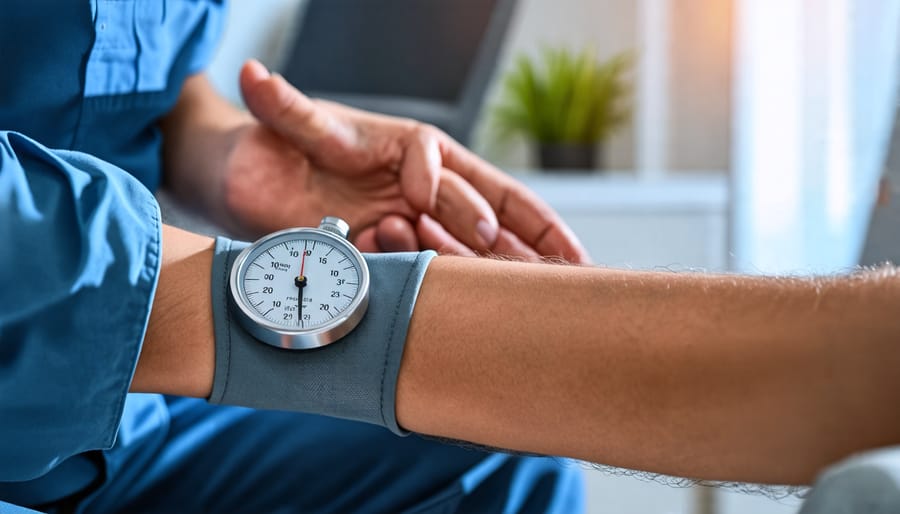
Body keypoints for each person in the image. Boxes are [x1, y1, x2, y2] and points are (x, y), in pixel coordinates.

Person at [3, 3, 900, 513]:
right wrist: (351, 329)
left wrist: (225, 153)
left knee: (497, 471)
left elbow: (124, 64)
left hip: (139, 418)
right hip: (40, 380)